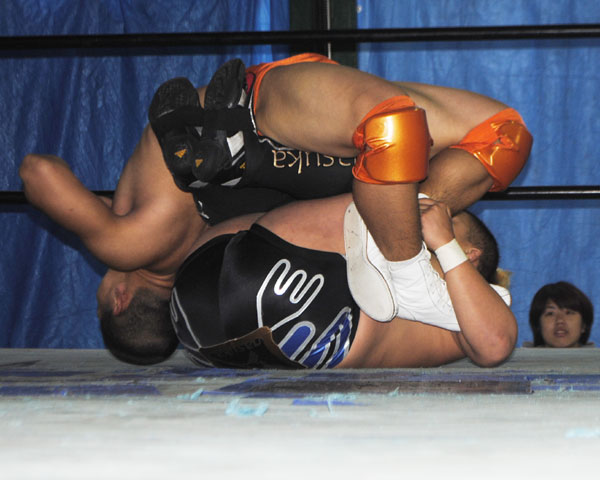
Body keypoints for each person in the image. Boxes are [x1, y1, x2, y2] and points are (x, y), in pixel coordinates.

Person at [19, 53, 531, 362]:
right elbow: (38, 172)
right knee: (501, 136)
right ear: (119, 299)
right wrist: (92, 212)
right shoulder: (144, 242)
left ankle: (249, 155)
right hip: (274, 151)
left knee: (407, 133)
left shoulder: (146, 244)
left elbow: (38, 173)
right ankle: (397, 251)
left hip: (267, 128)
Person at [155, 193, 516, 369]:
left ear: (471, 254)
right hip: (199, 295)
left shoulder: (467, 312)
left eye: (450, 219)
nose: (433, 215)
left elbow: (496, 344)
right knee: (390, 192)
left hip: (317, 316)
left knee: (399, 192)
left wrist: (443, 243)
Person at [526, 281, 594, 348]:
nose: (560, 320)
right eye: (550, 313)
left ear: (583, 325)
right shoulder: (522, 355)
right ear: (538, 325)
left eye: (568, 312)